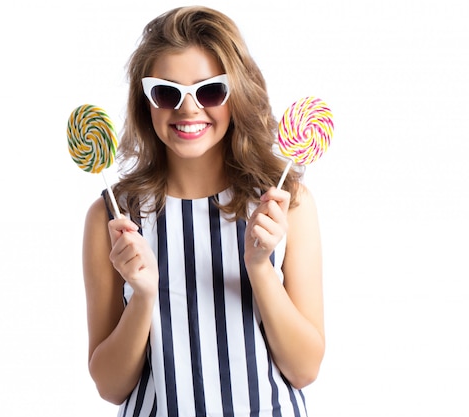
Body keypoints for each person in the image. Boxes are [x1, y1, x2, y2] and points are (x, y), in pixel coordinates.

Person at [82, 6, 324, 416]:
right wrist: (142, 295)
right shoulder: (113, 217)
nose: (189, 109)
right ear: (147, 103)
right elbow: (110, 386)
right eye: (167, 92)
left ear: (237, 93)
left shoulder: (286, 206)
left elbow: (304, 370)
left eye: (210, 90)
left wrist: (261, 267)